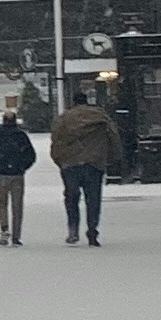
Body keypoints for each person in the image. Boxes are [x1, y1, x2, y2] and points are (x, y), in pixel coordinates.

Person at [47, 92, 121, 245]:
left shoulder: (64, 119)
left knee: (71, 197)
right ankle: (92, 230)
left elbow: (56, 140)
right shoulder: (100, 116)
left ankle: (73, 229)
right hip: (94, 162)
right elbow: (113, 136)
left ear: (73, 102)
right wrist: (113, 157)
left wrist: (59, 160)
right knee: (93, 198)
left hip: (70, 163)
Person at [0, 107, 39, 244]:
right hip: (17, 175)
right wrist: (22, 167)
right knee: (17, 206)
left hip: (1, 174)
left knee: (2, 204)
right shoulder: (21, 136)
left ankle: (4, 229)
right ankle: (16, 236)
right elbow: (31, 155)